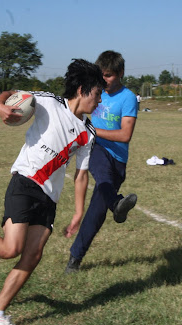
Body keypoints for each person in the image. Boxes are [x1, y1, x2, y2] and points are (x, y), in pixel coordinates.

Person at [0, 59, 106, 325]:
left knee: (32, 255)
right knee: (11, 248)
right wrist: (0, 105)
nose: (99, 101)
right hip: (25, 183)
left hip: (49, 198)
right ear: (81, 90)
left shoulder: (87, 133)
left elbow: (81, 175)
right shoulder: (49, 102)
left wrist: (78, 211)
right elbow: (12, 94)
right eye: (97, 94)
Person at [64, 50, 138, 274]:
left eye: (109, 75)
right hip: (94, 148)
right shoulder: (94, 90)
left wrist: (93, 129)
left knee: (96, 212)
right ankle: (116, 203)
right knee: (102, 173)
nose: (104, 80)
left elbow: (125, 135)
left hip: (118, 159)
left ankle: (75, 257)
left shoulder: (128, 98)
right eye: (102, 75)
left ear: (121, 73)